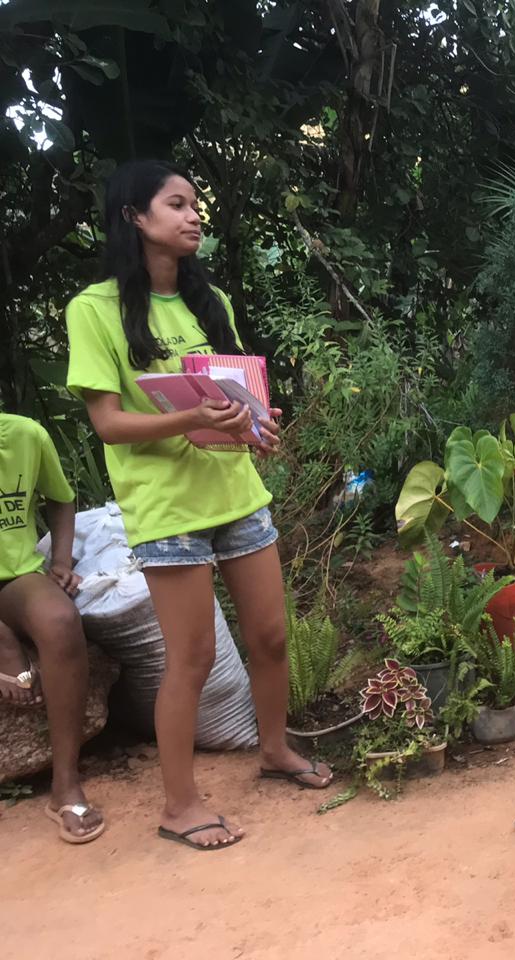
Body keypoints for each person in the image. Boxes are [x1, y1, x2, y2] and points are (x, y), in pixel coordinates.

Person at [65, 159, 332, 852]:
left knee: (271, 637)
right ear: (135, 217)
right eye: (177, 204)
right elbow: (108, 424)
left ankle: (273, 748)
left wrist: (255, 426)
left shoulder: (207, 303)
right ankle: (179, 806)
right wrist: (188, 420)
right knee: (192, 659)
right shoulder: (93, 310)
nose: (194, 217)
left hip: (237, 494)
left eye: (195, 206)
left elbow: (229, 404)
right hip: (168, 510)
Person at [0, 413, 104, 843]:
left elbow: (60, 500)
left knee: (60, 620)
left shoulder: (25, 435)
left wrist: (60, 561)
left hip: (13, 578)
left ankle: (65, 783)